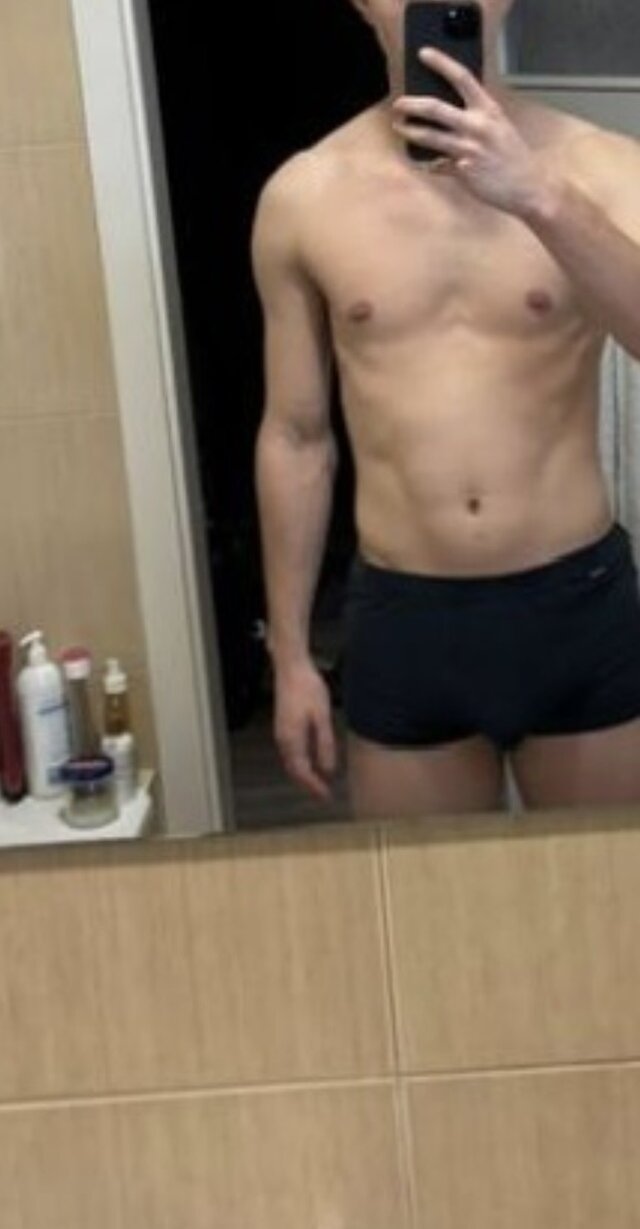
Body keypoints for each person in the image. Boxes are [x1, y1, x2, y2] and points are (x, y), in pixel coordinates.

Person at [251, 0, 640, 819]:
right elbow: (295, 437)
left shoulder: (603, 169)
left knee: (604, 888)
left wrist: (540, 198)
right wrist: (290, 655)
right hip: (406, 616)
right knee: (425, 896)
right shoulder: (304, 196)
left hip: (574, 601)